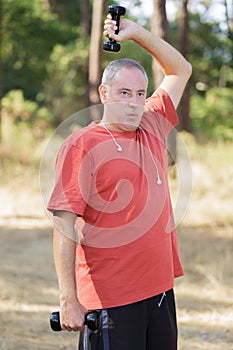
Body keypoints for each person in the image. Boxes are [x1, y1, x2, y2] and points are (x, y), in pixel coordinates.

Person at [48, 13, 192, 350]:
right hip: (110, 298)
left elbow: (180, 69)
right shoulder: (82, 144)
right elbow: (64, 222)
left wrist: (137, 33)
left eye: (140, 94)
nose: (133, 103)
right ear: (104, 93)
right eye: (124, 92)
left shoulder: (153, 124)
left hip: (159, 293)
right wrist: (69, 297)